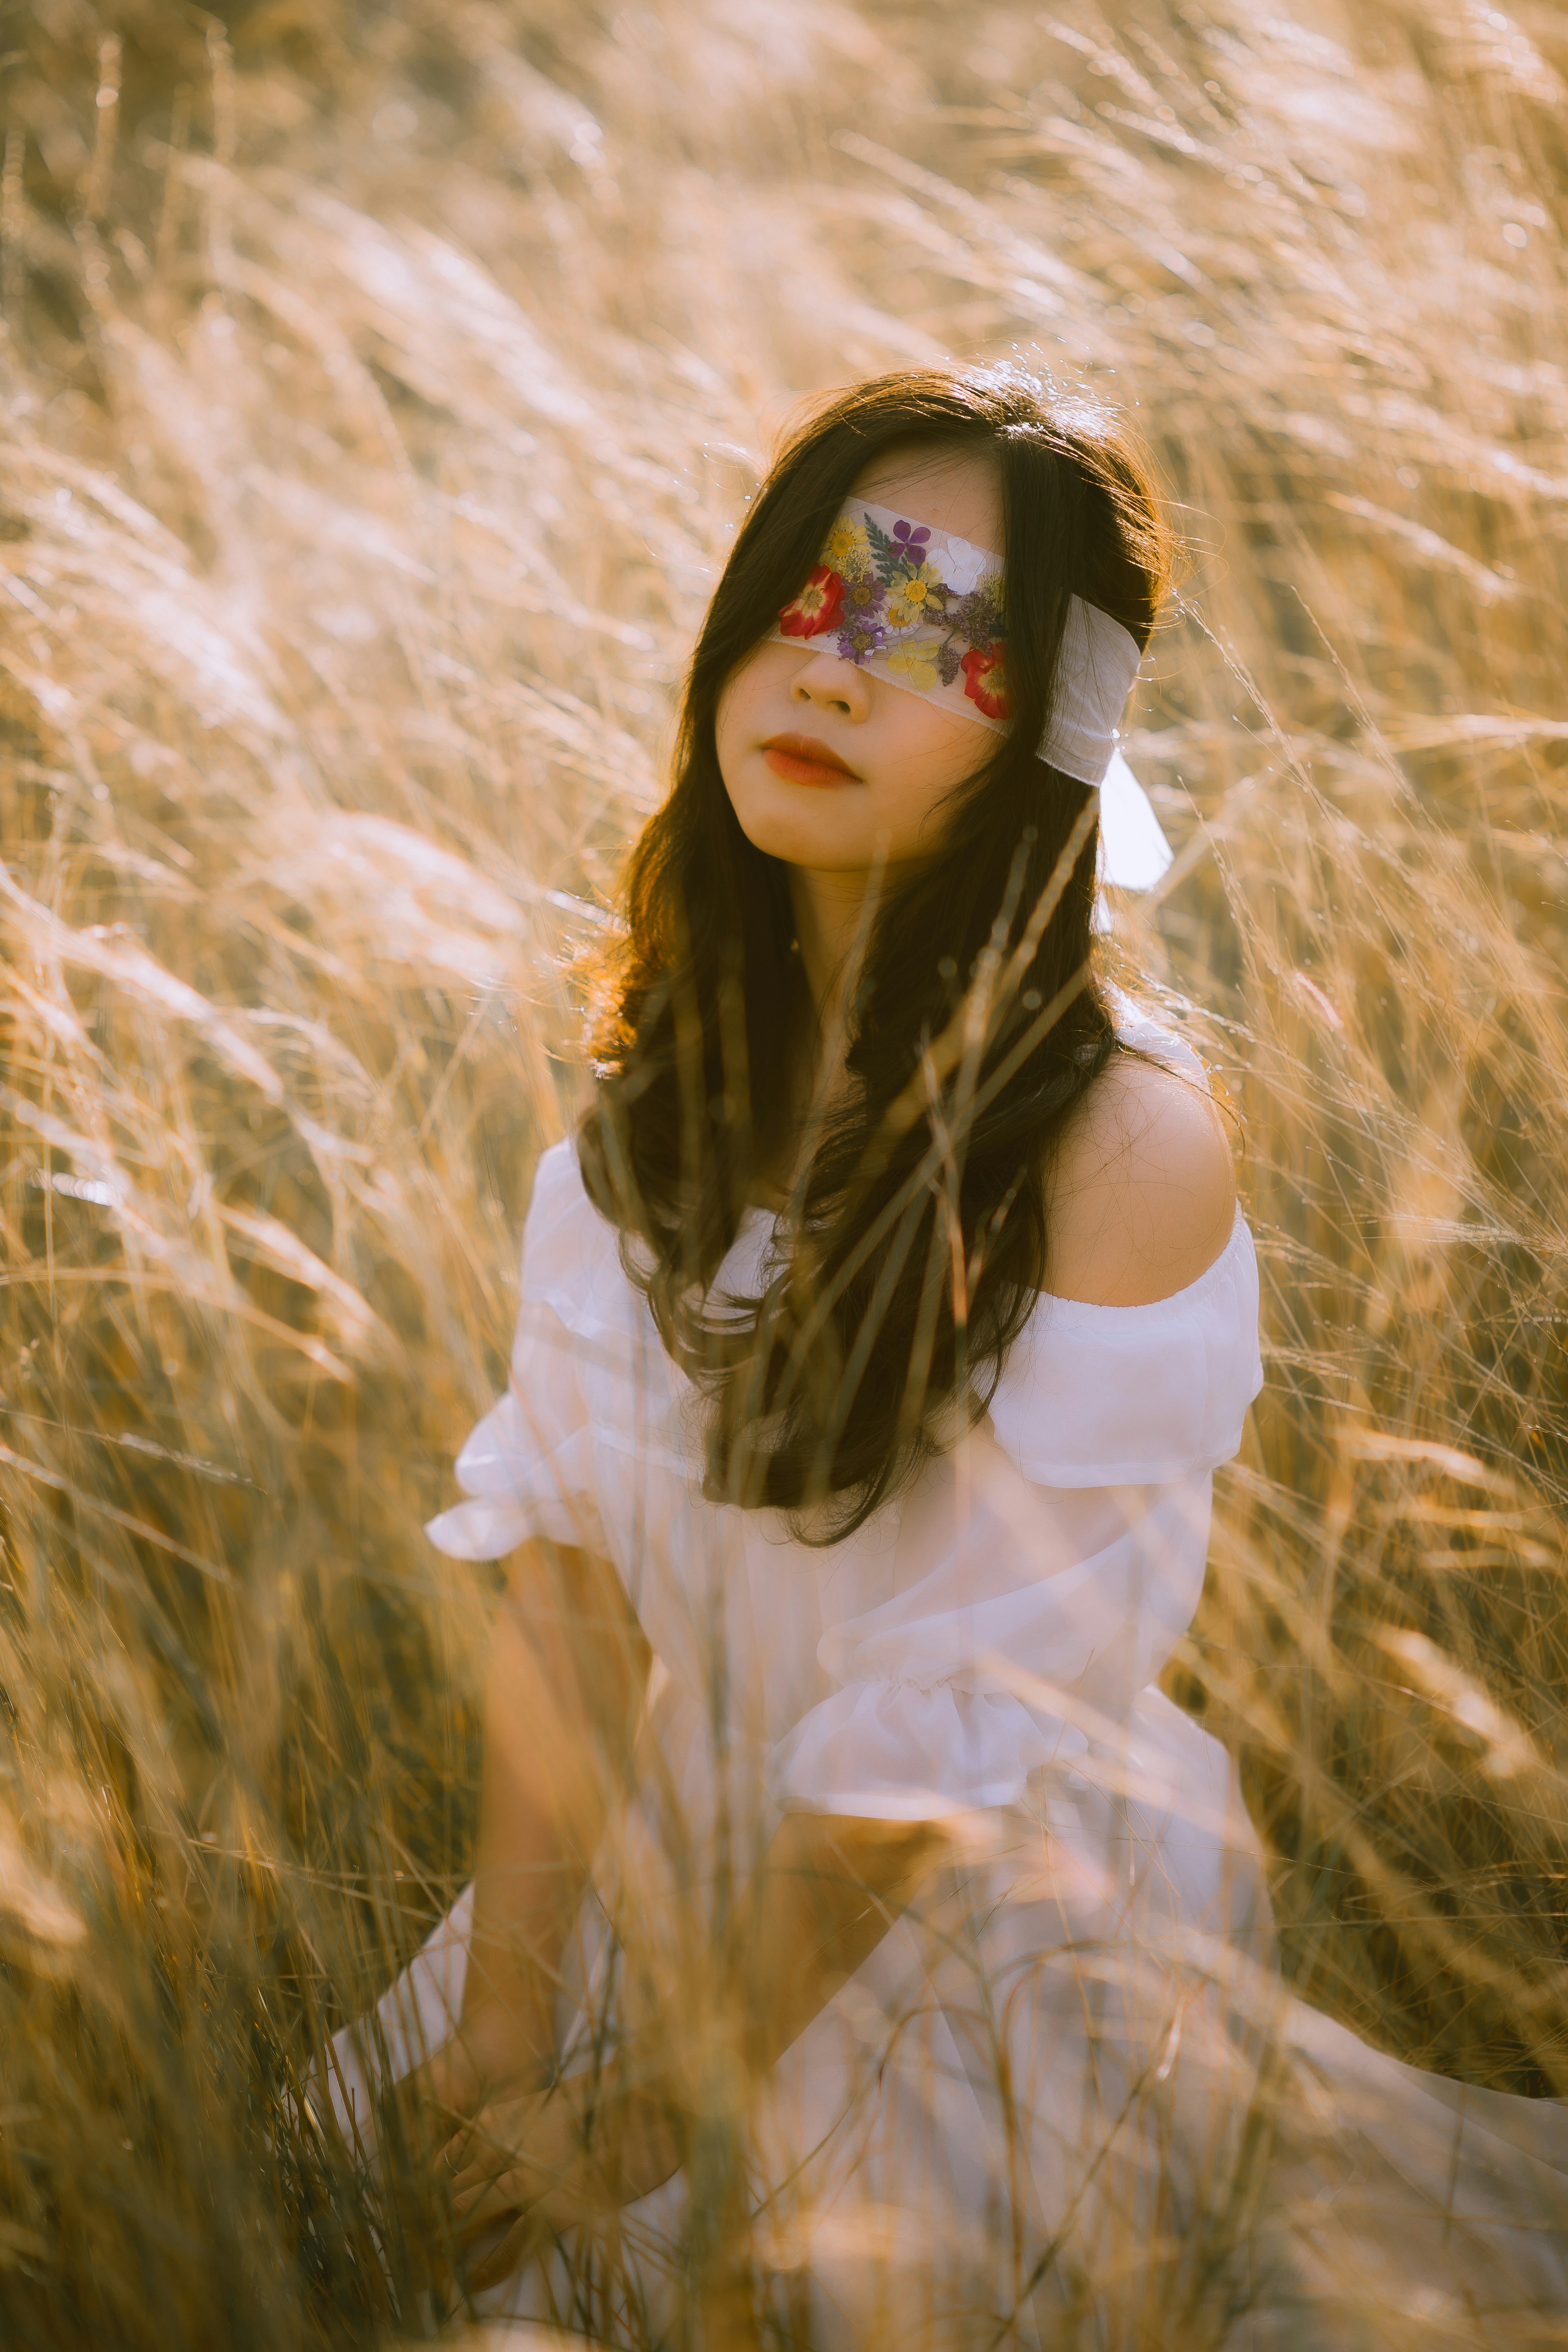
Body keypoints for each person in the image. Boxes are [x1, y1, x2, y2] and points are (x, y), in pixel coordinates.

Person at [327, 366, 1568, 2350]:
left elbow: (944, 1764)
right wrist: (503, 2035)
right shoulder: (656, 1099)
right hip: (670, 1885)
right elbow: (570, 1587)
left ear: (1051, 741)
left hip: (993, 1951)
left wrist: (650, 2117)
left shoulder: (1118, 1148)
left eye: (933, 633)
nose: (833, 672)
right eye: (809, 601)